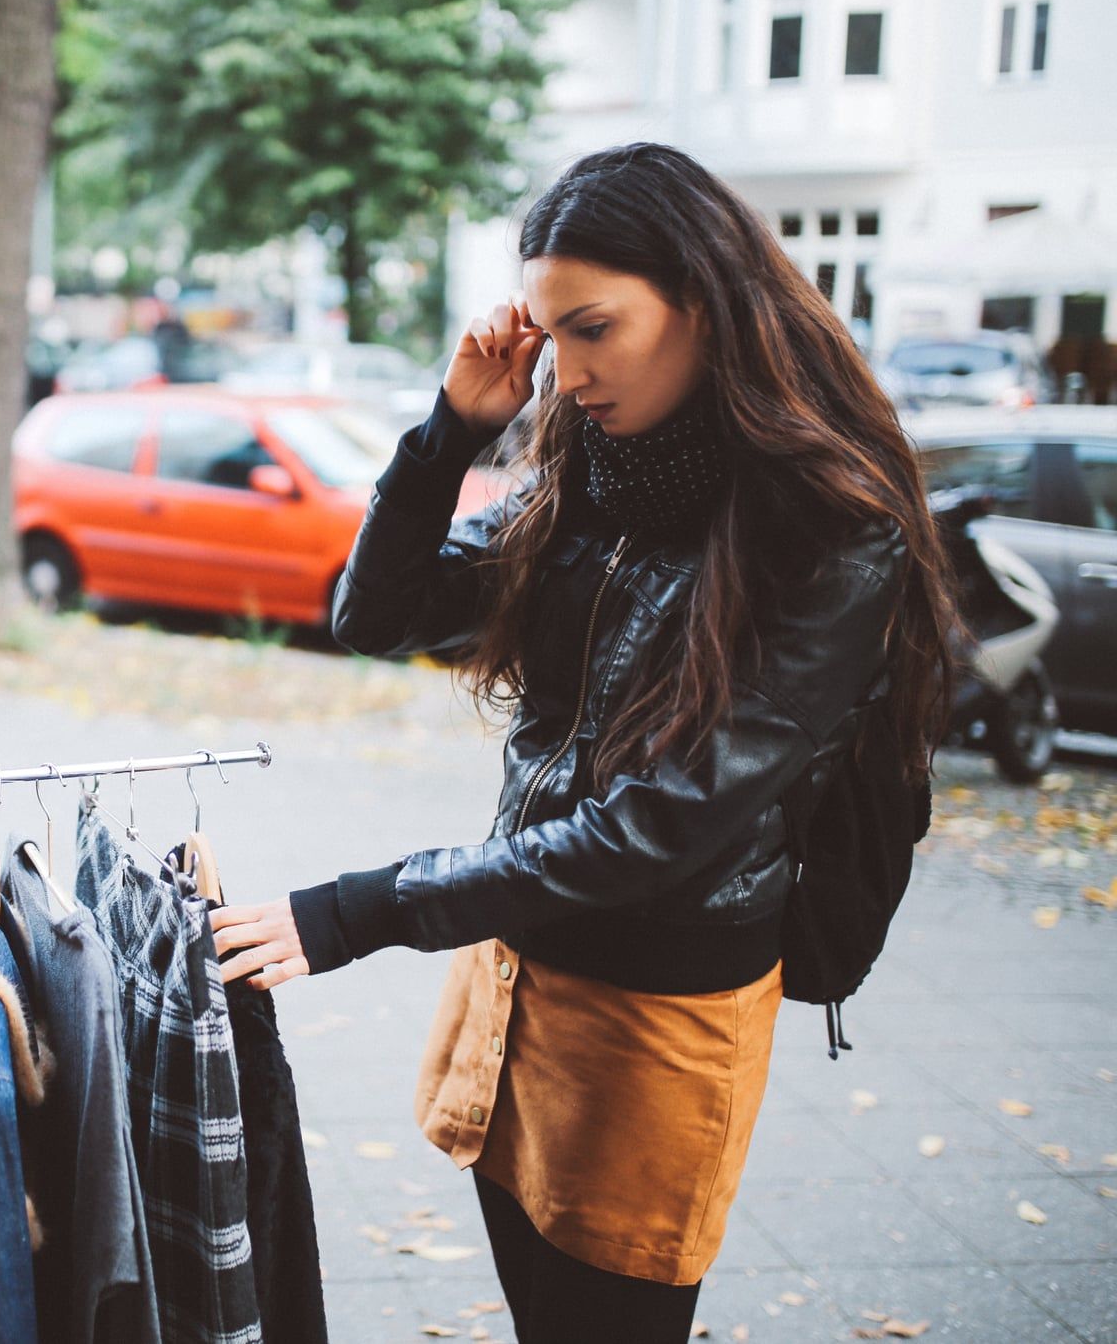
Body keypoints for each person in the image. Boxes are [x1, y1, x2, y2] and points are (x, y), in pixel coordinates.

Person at [208, 143, 960, 1341]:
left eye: (595, 328)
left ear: (704, 307)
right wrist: (450, 431)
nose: (568, 366)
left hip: (658, 1008)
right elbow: (372, 615)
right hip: (513, 957)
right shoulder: (589, 472)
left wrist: (358, 909)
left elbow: (665, 825)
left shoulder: (825, 526)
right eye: (551, 334)